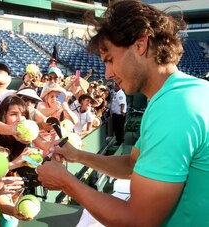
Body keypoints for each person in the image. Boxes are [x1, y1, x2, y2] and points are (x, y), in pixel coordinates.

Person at [37, 1, 209, 226]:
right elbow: (132, 164)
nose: (108, 73)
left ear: (140, 44)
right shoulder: (183, 93)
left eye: (110, 60)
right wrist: (79, 156)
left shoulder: (174, 108)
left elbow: (137, 221)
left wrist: (66, 182)